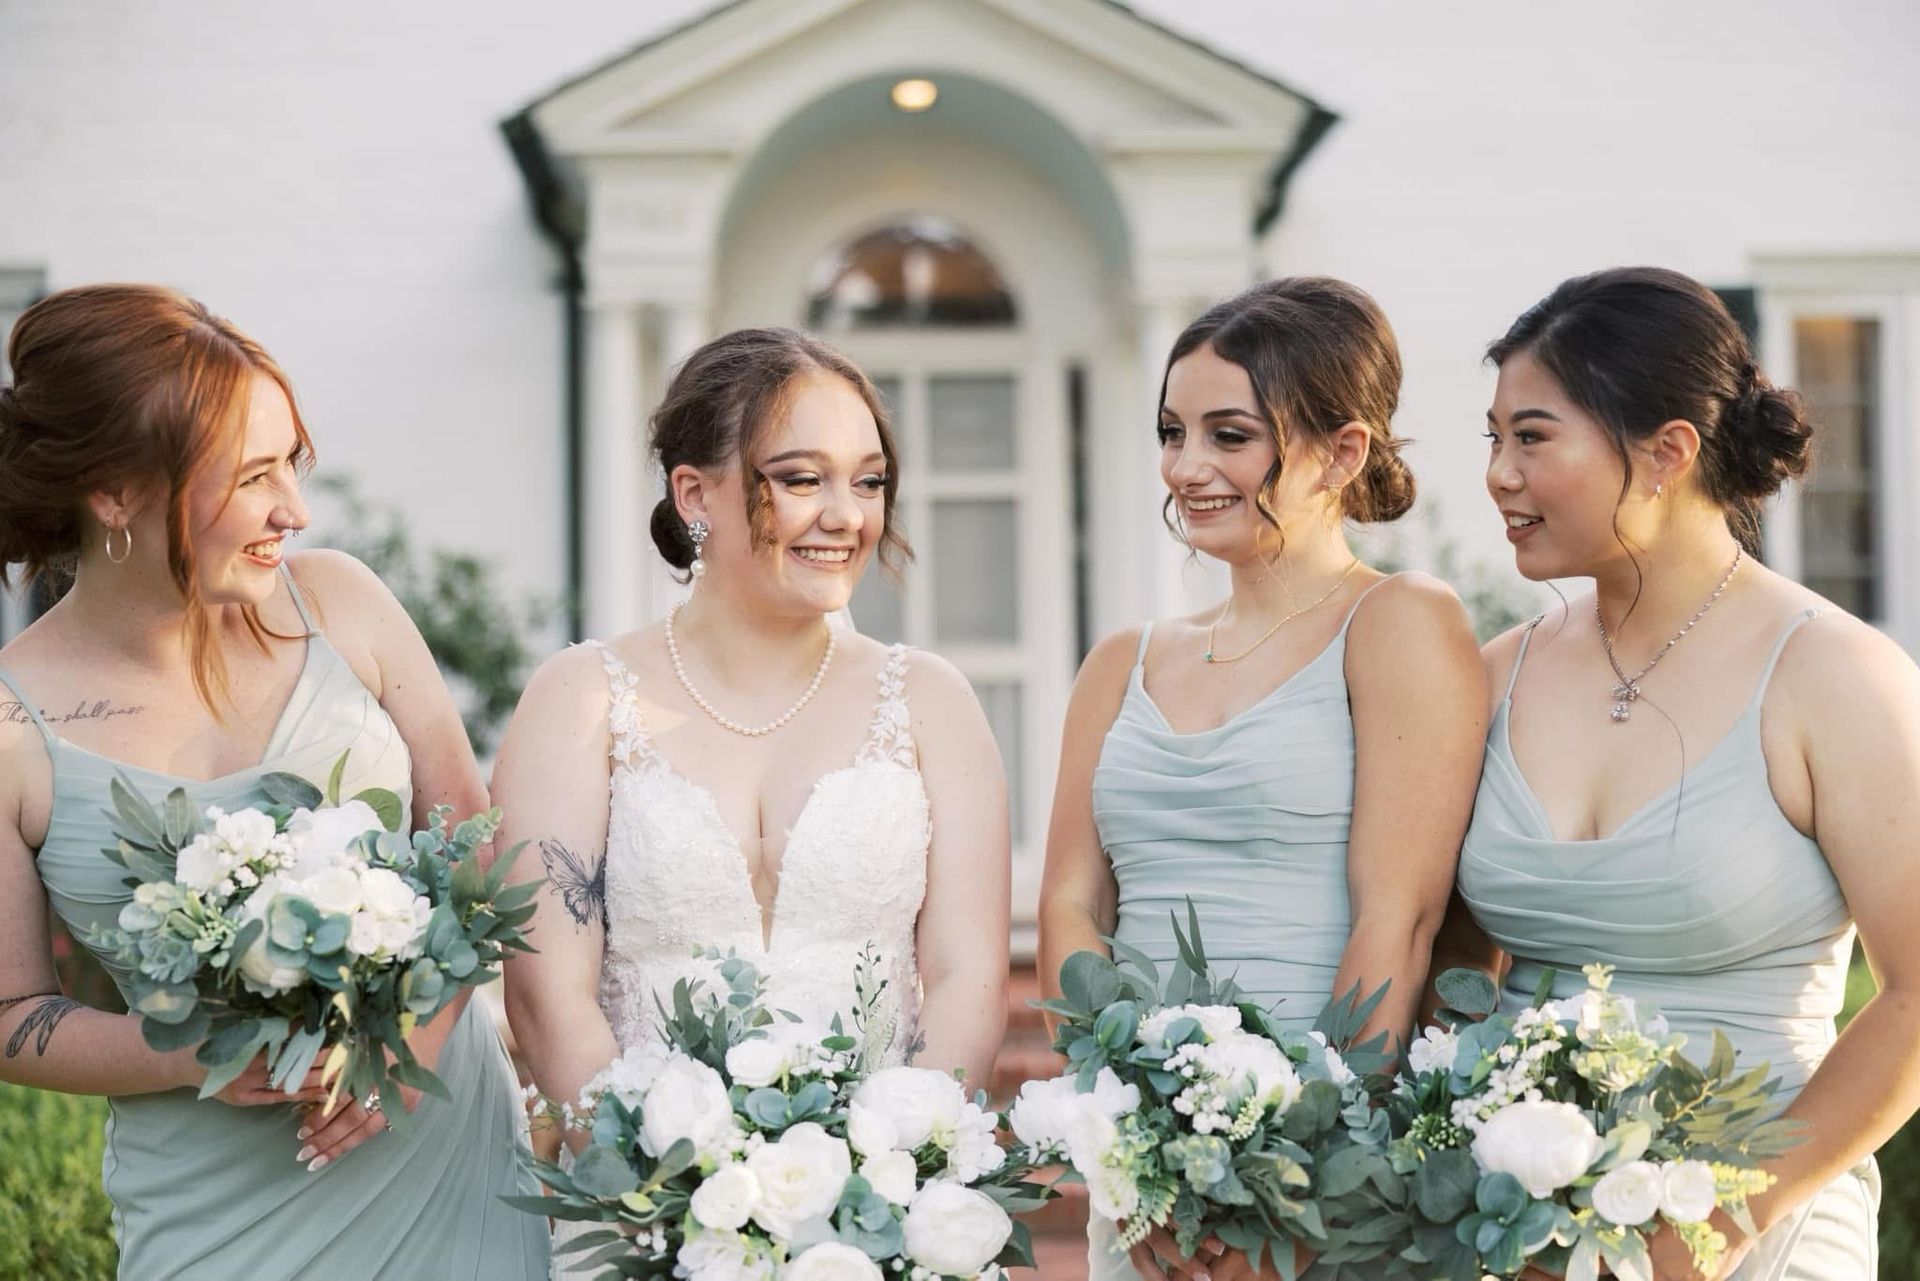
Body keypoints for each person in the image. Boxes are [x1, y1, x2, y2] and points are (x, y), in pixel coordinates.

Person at [0, 284, 547, 1278]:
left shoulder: (343, 604)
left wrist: (414, 1046)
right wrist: (193, 1052)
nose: (291, 510)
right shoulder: (10, 725)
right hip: (217, 1219)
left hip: (446, 1163)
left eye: (290, 464)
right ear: (116, 493)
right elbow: (10, 1018)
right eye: (252, 477)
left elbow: (473, 838)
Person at [496, 326, 1010, 1269]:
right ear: (697, 494)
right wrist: (661, 1201)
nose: (846, 515)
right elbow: (546, 995)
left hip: (876, 1233)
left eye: (868, 480)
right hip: (636, 1225)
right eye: (803, 478)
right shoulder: (582, 699)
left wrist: (886, 1183)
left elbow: (972, 975)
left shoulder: (931, 700)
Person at [1450, 266, 1913, 1278]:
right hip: (1522, 1243)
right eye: (1493, 438)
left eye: (1531, 436)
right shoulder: (1490, 679)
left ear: (1666, 453)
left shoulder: (1837, 676)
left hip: (1759, 1228)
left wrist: (1711, 1232)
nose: (1497, 472)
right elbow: (1454, 985)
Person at [1038, 278, 1487, 1281]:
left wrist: (1296, 1172)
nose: (1187, 467)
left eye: (1228, 436)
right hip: (1145, 1171)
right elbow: (1072, 900)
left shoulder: (1400, 624)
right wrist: (1124, 1142)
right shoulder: (1123, 659)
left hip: (1321, 1173)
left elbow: (1400, 922)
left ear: (1342, 452)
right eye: (1172, 431)